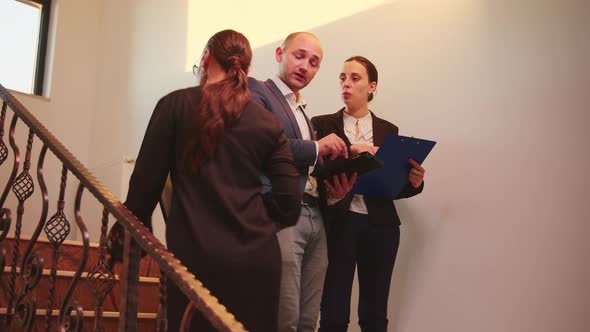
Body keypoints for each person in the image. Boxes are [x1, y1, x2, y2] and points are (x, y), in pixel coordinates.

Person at [115, 29, 301, 331]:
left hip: (196, 261)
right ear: (246, 68)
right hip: (258, 263)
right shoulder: (268, 122)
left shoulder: (175, 105)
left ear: (206, 57)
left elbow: (144, 190)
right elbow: (290, 203)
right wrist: (255, 219)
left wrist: (123, 240)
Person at [312, 56, 427, 332]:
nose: (346, 84)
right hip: (339, 222)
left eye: (355, 78)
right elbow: (316, 172)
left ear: (372, 86)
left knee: (375, 314)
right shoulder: (321, 124)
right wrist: (355, 152)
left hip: (381, 227)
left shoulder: (389, 130)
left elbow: (391, 186)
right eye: (342, 78)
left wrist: (414, 182)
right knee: (333, 313)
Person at [249, 32, 353, 332]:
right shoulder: (259, 92)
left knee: (309, 320)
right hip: (281, 213)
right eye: (299, 56)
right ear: (280, 54)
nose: (305, 66)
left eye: (314, 62)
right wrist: (319, 147)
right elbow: (264, 144)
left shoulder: (303, 111)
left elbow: (311, 165)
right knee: (286, 317)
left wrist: (341, 177)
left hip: (315, 215)